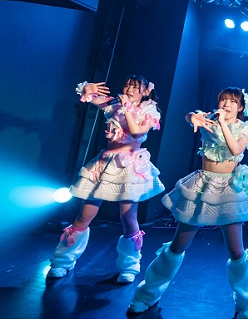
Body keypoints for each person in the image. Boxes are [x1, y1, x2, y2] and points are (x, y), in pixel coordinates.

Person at [127, 87, 248, 319]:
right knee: (178, 245)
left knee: (236, 250)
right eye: (223, 100)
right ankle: (147, 295)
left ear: (241, 107)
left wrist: (222, 123)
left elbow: (235, 149)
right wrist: (192, 117)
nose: (226, 104)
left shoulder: (246, 127)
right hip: (203, 185)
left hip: (229, 189)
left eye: (232, 102)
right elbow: (189, 116)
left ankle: (245, 304)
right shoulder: (209, 119)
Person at [49, 76, 164, 282]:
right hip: (105, 163)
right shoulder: (114, 105)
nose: (129, 89)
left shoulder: (150, 110)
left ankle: (129, 266)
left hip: (129, 165)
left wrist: (126, 108)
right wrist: (87, 88)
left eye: (135, 87)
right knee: (84, 215)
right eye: (127, 85)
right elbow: (89, 97)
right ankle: (62, 262)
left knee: (128, 218)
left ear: (146, 92)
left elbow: (136, 132)